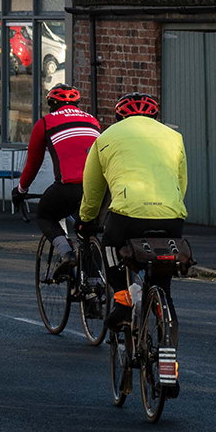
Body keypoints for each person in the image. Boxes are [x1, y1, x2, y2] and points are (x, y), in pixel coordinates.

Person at [78, 92, 188, 327]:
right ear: (155, 115)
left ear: (118, 117)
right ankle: (164, 309)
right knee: (162, 278)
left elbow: (93, 189)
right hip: (171, 216)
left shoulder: (105, 138)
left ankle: (122, 299)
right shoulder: (174, 137)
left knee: (109, 244)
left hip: (128, 215)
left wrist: (86, 219)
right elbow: (181, 182)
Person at [13, 84, 100, 276]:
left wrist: (20, 191)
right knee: (88, 228)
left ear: (51, 104)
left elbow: (32, 165)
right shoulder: (93, 121)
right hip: (98, 188)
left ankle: (67, 253)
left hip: (68, 187)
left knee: (45, 215)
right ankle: (96, 284)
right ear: (77, 104)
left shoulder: (45, 123)